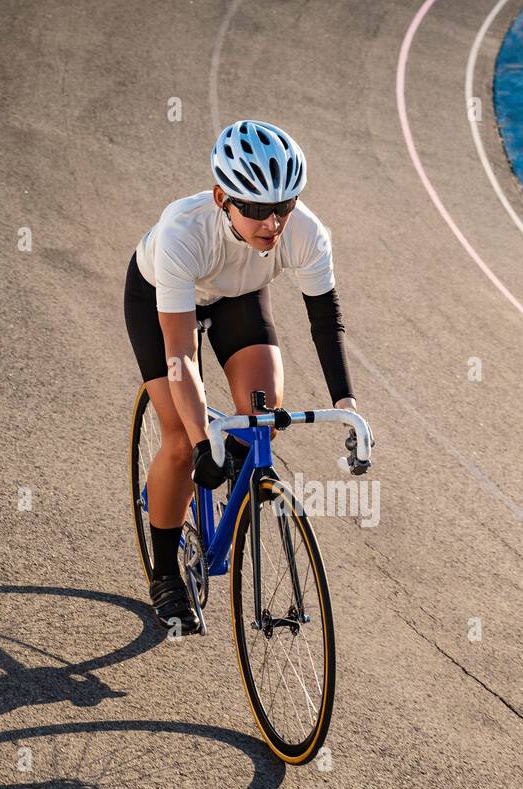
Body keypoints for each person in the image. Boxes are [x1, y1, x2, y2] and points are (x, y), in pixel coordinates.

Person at [124, 119, 358, 633]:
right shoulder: (182, 231)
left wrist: (347, 405)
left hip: (238, 297)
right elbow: (180, 356)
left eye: (284, 206)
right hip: (161, 298)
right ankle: (165, 572)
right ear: (221, 198)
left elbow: (326, 321)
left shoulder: (305, 233)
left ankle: (226, 467)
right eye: (254, 209)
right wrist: (202, 438)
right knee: (183, 441)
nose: (272, 223)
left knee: (263, 419)